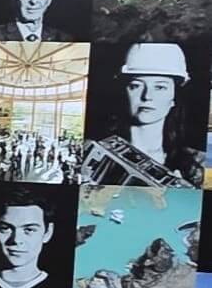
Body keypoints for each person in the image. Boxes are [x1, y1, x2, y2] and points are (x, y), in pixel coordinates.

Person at [85, 41, 200, 188]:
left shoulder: (197, 165)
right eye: (136, 86)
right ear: (123, 93)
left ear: (174, 97)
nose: (147, 96)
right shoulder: (88, 149)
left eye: (160, 87)